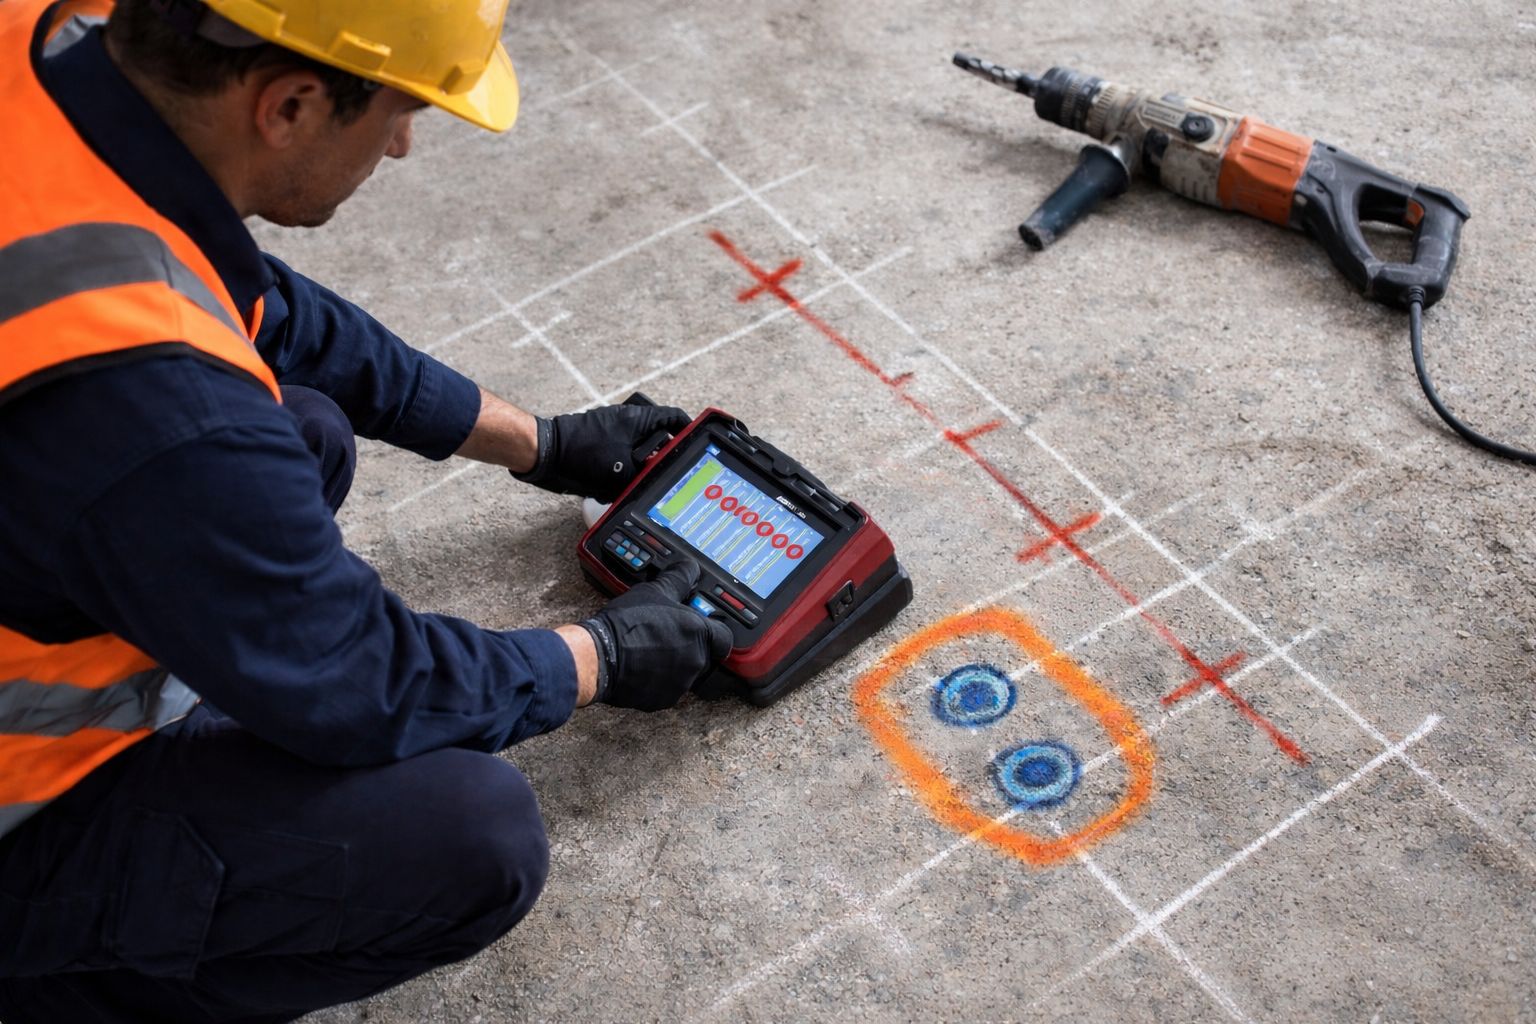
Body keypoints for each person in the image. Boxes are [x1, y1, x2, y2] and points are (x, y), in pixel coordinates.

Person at [0, 0, 734, 1020]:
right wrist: (600, 654)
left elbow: (263, 305)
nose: (400, 143)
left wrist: (539, 441)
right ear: (292, 104)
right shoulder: (162, 413)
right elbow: (364, 686)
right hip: (18, 809)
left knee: (303, 430)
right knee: (469, 838)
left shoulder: (48, 47)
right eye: (396, 111)